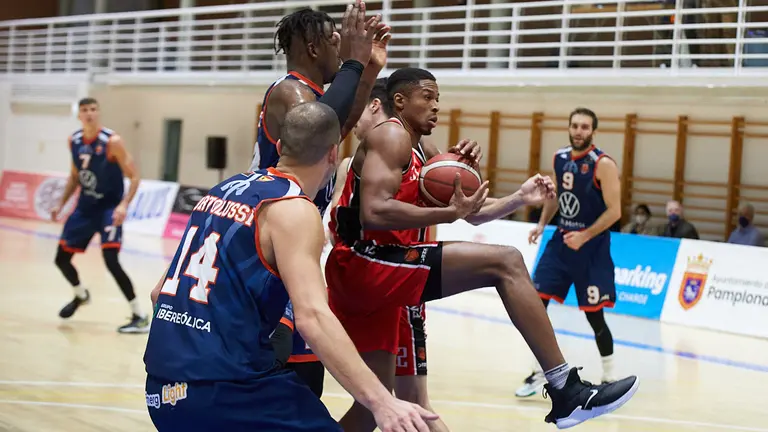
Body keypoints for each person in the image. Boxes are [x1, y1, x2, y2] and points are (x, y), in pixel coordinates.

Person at [326, 69, 639, 431]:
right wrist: (450, 211)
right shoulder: (391, 134)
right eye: (427, 97)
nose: (436, 106)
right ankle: (565, 388)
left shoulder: (423, 149)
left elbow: (471, 213)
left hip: (389, 276)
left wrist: (519, 198)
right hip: (364, 263)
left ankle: (565, 390)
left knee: (380, 407)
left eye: (437, 98)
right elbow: (375, 212)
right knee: (506, 262)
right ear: (399, 102)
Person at [144, 102, 438, 432]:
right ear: (332, 154)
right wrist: (381, 401)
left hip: (161, 391)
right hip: (226, 390)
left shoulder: (223, 190)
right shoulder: (293, 209)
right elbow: (312, 317)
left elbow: (159, 293)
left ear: (280, 148)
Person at [259, 1, 390, 396]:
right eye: (335, 41)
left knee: (306, 378)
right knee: (278, 370)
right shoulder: (290, 91)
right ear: (314, 48)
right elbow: (319, 126)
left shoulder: (313, 97)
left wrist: (367, 69)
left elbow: (339, 124)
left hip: (295, 242)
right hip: (271, 241)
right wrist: (353, 64)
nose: (340, 47)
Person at [517, 107, 623, 398]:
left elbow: (616, 212)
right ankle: (541, 372)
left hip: (592, 248)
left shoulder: (604, 164)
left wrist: (585, 236)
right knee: (536, 307)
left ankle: (610, 376)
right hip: (561, 243)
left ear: (593, 132)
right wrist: (541, 224)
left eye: (585, 127)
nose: (579, 131)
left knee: (595, 317)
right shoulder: (560, 157)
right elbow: (555, 198)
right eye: (575, 125)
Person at [51, 97, 147, 333]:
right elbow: (75, 176)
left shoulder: (112, 141)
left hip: (108, 209)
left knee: (111, 261)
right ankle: (80, 294)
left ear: (99, 112)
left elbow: (134, 176)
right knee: (61, 259)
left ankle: (139, 315)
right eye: (85, 110)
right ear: (79, 115)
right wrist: (61, 204)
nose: (90, 114)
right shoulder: (73, 141)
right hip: (85, 208)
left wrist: (123, 205)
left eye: (94, 109)